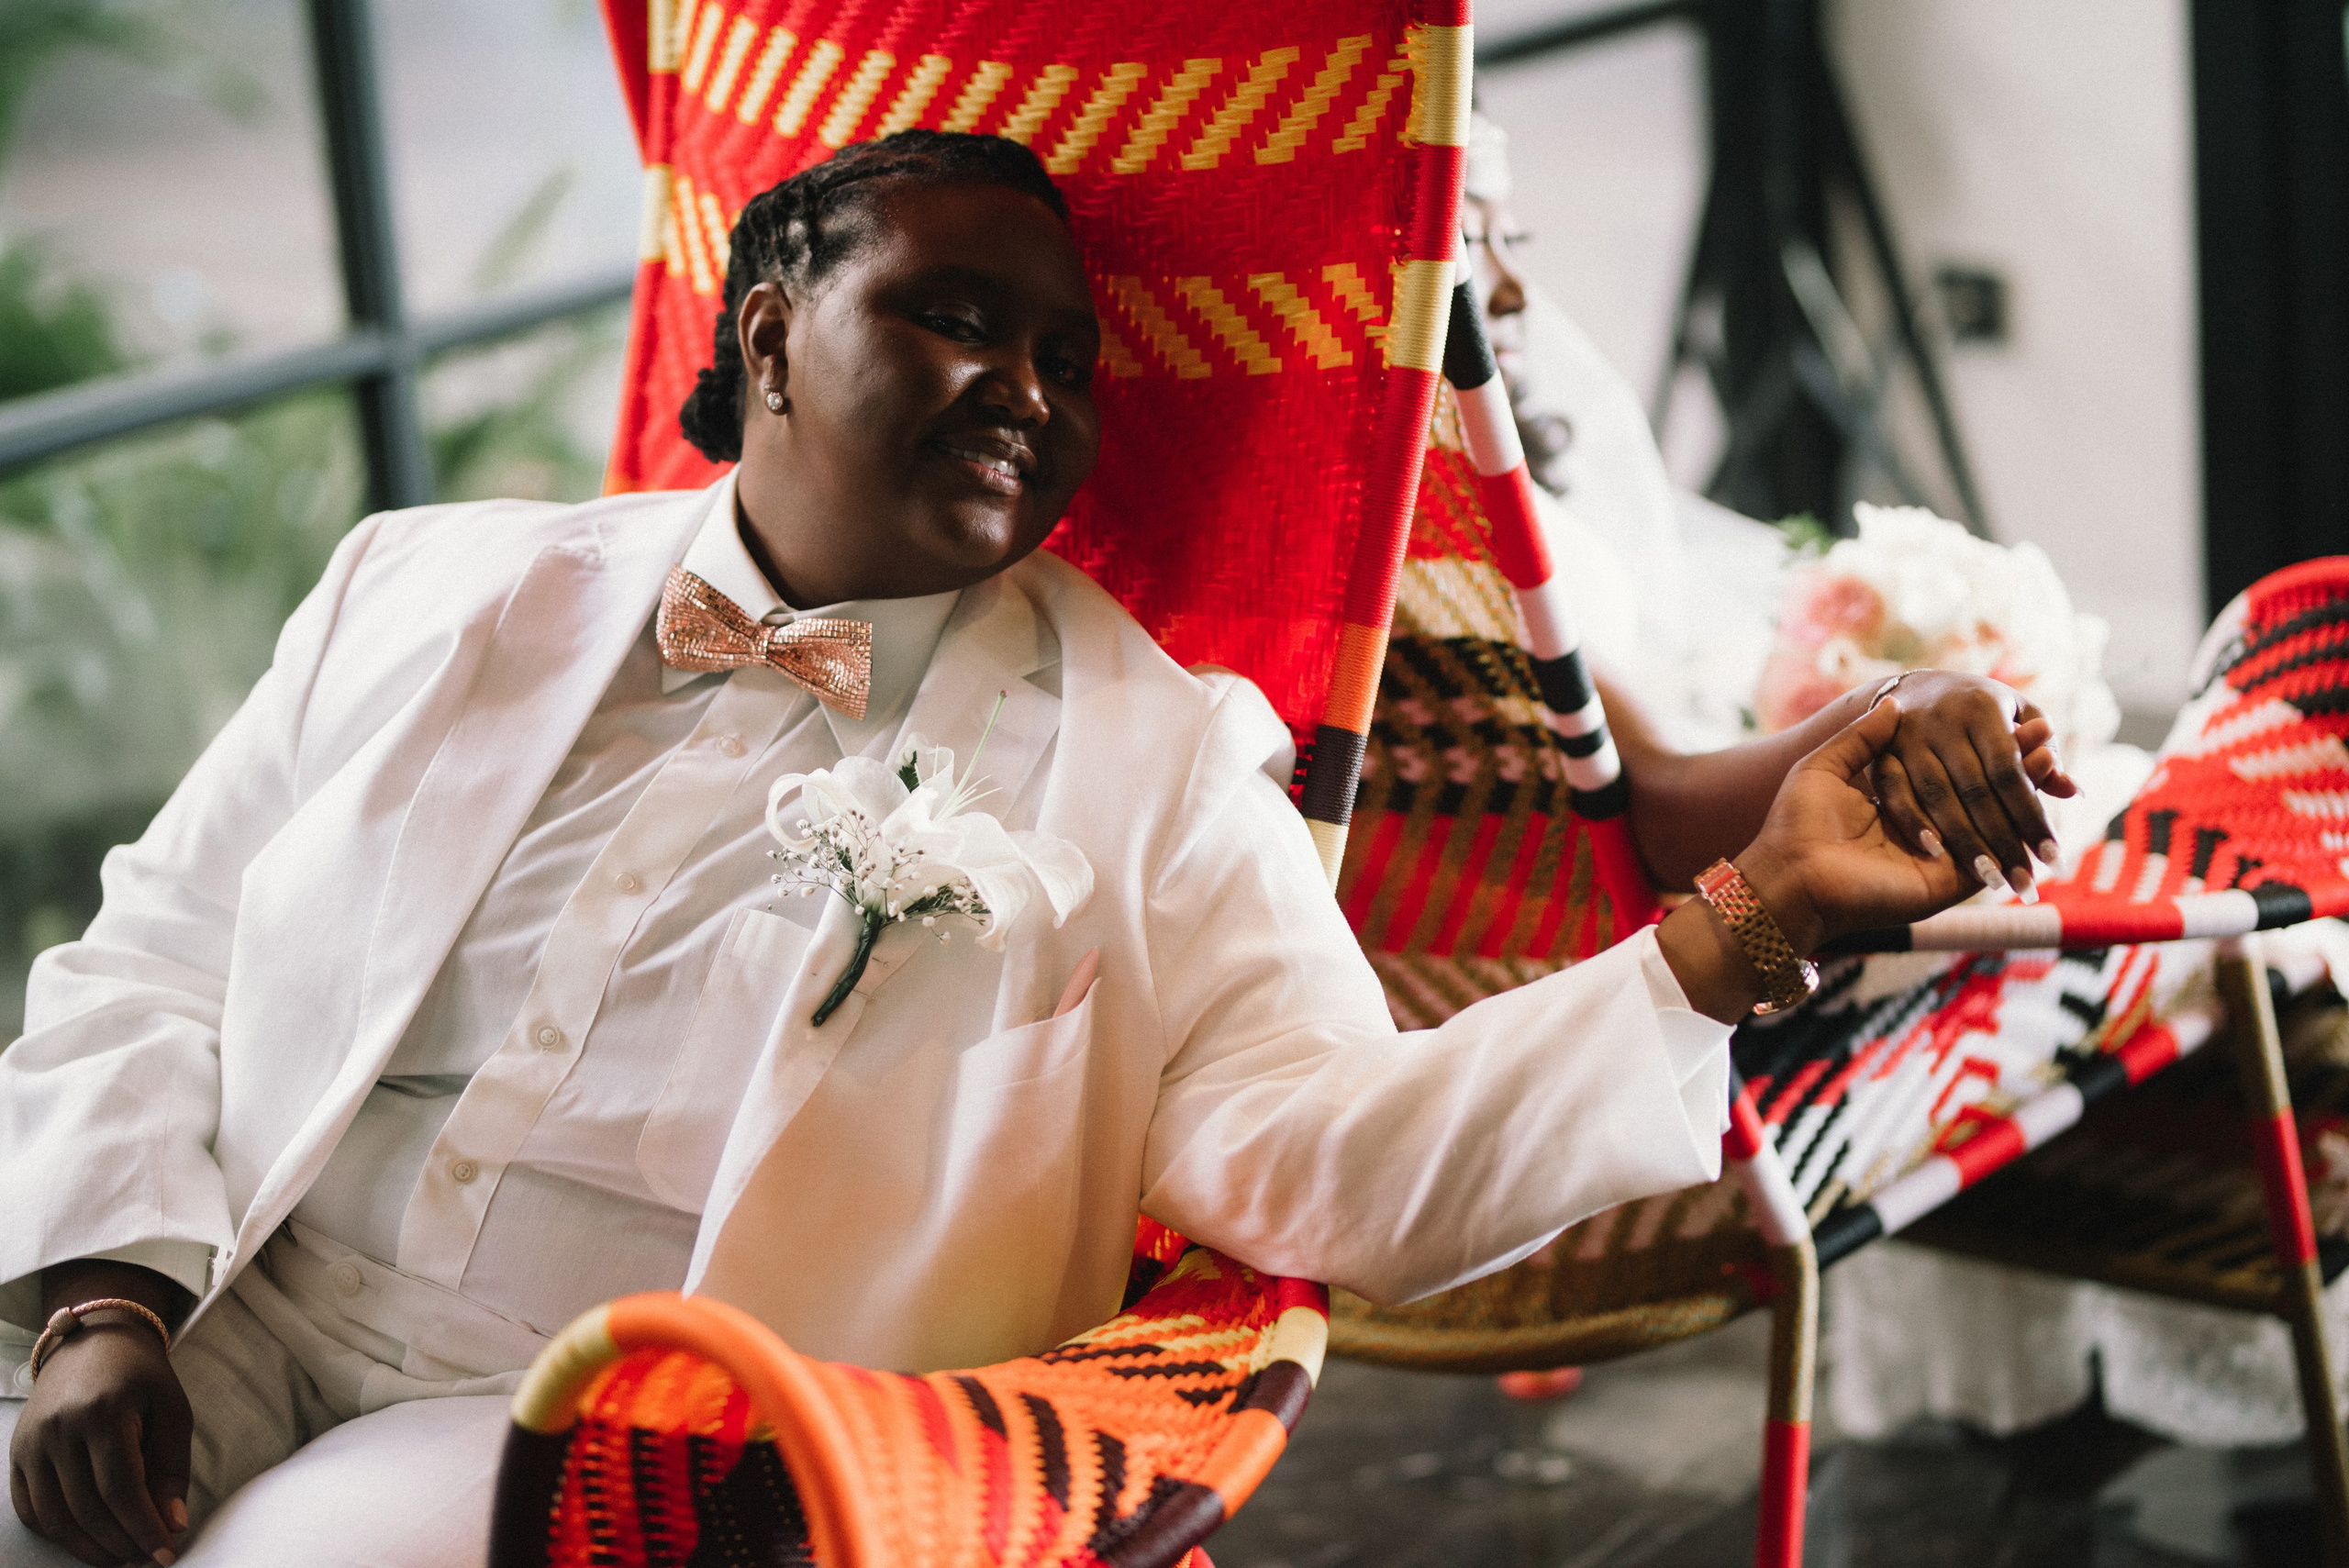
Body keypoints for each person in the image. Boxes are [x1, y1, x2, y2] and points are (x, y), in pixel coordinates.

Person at [2, 131, 2068, 1566]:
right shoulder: (419, 585)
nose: (1022, 387)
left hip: (619, 1431)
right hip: (214, 1283)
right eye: (955, 316)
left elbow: (1334, 1161)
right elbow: (152, 952)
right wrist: (100, 1303)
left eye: (1063, 363)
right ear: (765, 337)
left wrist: (1739, 932)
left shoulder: (1155, 761)